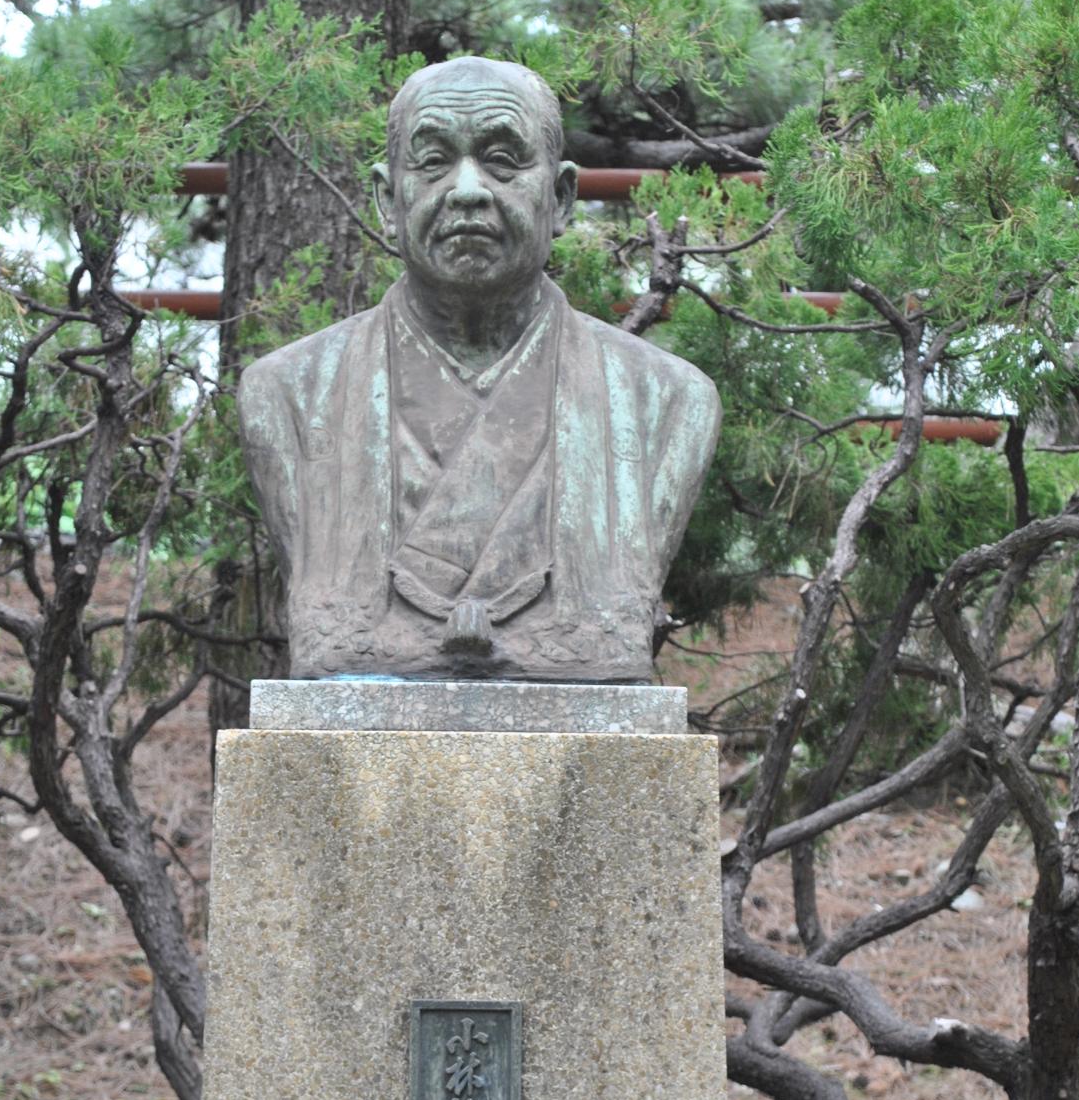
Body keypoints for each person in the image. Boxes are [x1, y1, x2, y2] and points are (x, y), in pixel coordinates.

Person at [238, 56, 720, 683]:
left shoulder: (669, 402)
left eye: (503, 160)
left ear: (562, 197)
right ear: (389, 200)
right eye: (433, 161)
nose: (467, 190)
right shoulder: (286, 396)